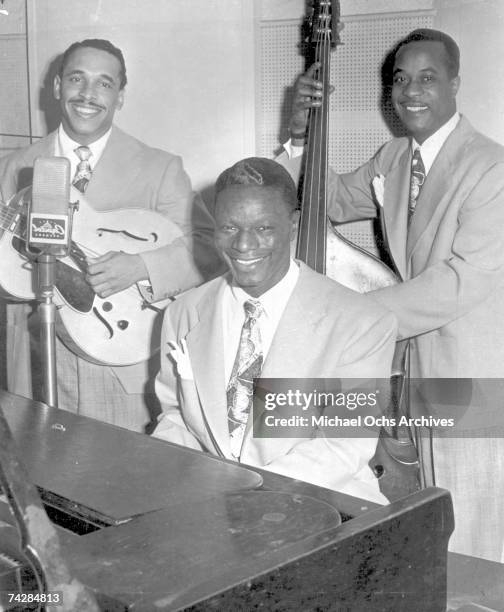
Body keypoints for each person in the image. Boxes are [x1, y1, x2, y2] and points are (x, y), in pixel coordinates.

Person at [280, 28, 504, 561]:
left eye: (427, 77)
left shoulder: (491, 167)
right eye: (401, 79)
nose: (411, 91)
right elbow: (327, 202)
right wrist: (297, 133)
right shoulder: (394, 157)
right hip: (413, 374)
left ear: (454, 82)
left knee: (476, 533)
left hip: (473, 372)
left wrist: (355, 315)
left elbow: (462, 278)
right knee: (431, 527)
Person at [0, 39, 222, 432]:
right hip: (33, 365)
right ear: (56, 87)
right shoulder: (13, 168)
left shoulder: (160, 168)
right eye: (76, 79)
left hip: (123, 366)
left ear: (120, 96)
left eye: (104, 83)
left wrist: (141, 265)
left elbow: (209, 248)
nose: (88, 94)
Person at [153, 156, 397, 503]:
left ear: (293, 225)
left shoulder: (362, 322)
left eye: (264, 228)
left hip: (322, 506)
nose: (243, 245)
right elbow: (176, 417)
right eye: (229, 227)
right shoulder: (182, 313)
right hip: (211, 504)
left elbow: (342, 447)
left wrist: (242, 496)